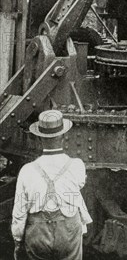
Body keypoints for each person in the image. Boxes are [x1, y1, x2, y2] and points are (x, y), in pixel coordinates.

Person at [11, 110, 92, 259]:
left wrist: (17, 240)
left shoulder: (26, 170)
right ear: (63, 136)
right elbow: (80, 183)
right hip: (68, 231)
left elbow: (20, 211)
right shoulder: (77, 165)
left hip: (37, 232)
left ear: (40, 139)